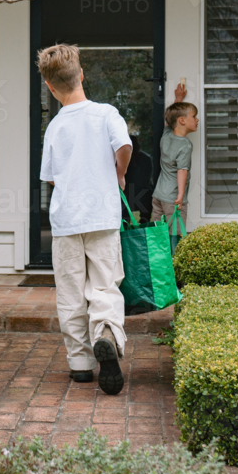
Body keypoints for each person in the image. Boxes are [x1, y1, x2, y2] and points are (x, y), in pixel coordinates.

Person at [37, 44, 132, 396]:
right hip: (103, 217)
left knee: (71, 293)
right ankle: (105, 334)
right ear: (81, 75)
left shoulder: (55, 126)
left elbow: (50, 177)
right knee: (105, 285)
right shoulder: (106, 114)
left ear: (50, 86)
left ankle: (80, 364)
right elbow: (124, 147)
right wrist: (118, 173)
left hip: (65, 222)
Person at [151, 97, 199, 228]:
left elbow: (170, 121)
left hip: (159, 196)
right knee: (175, 234)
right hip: (173, 199)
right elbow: (182, 170)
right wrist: (181, 196)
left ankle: (161, 250)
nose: (197, 119)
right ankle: (174, 250)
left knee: (159, 233)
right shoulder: (185, 145)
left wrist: (178, 98)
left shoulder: (166, 136)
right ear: (182, 120)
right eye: (194, 116)